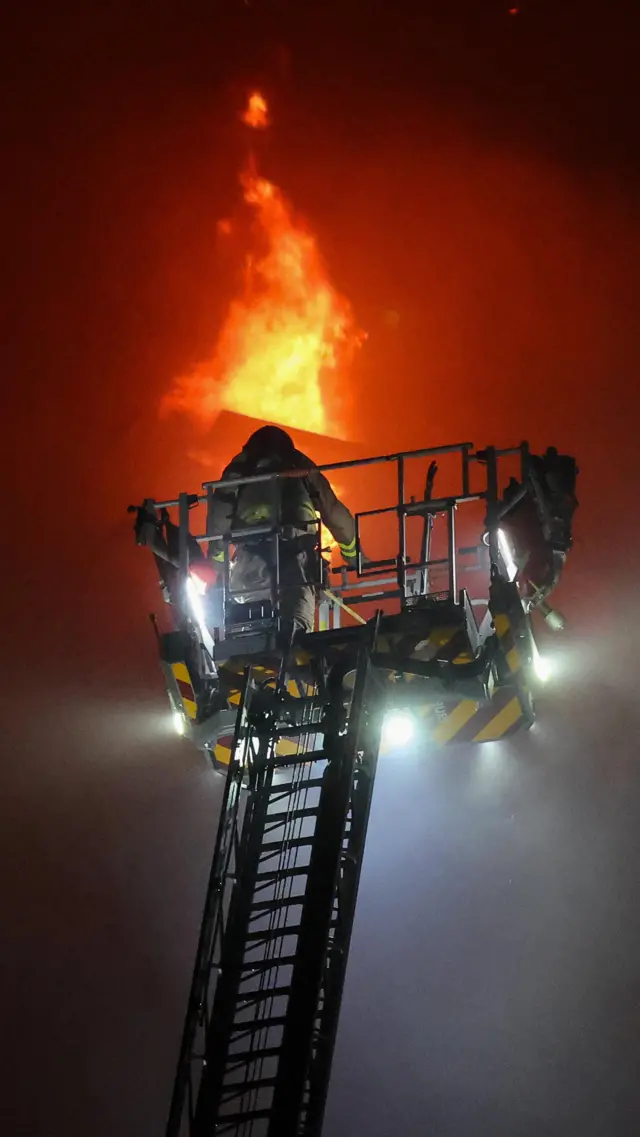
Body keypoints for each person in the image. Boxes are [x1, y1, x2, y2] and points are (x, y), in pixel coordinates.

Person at [206, 425, 360, 636]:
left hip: (253, 567)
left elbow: (219, 517)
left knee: (250, 636)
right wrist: (353, 555)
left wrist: (217, 563)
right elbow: (334, 513)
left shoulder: (239, 469)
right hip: (297, 570)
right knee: (297, 638)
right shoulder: (299, 465)